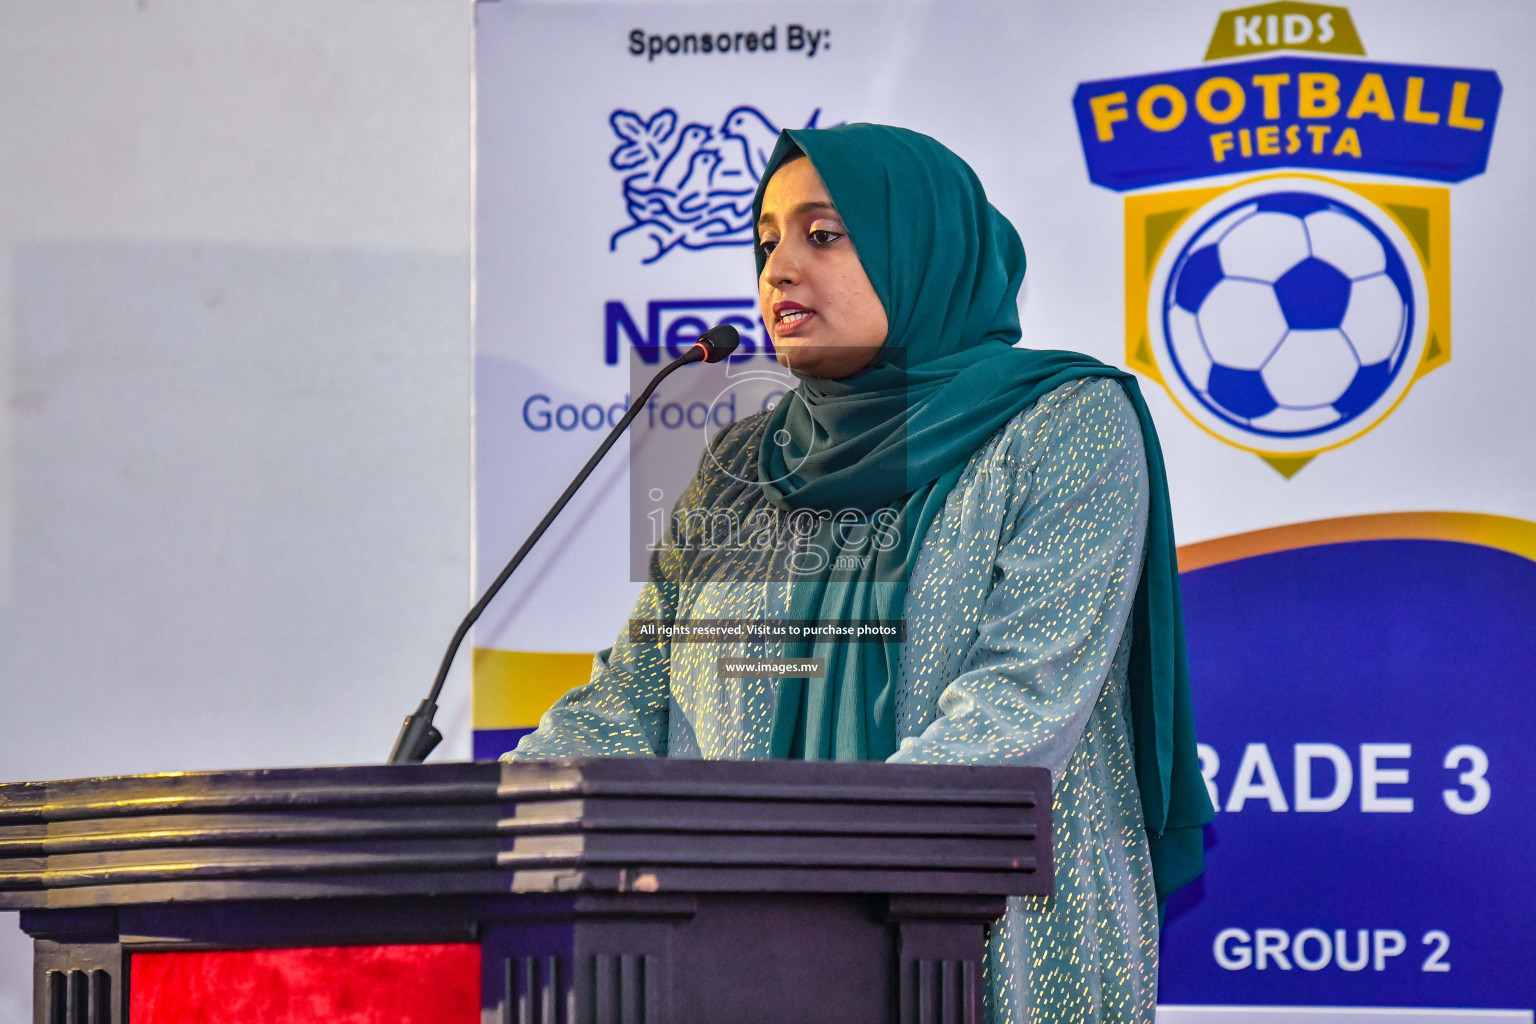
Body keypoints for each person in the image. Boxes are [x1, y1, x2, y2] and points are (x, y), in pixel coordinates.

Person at [505, 123, 1213, 1022]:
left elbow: (1020, 704)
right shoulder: (738, 463)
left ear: (921, 246)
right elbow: (634, 694)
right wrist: (496, 817)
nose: (778, 271)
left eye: (823, 234)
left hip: (985, 947)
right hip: (743, 949)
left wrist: (804, 858)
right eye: (765, 243)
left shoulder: (1061, 420)